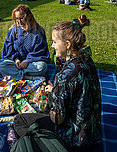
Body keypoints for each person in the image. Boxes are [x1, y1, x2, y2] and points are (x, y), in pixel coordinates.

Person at [13, 15, 101, 150]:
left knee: (20, 121)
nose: (52, 45)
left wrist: (51, 99)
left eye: (54, 41)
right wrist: (56, 90)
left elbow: (57, 119)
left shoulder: (64, 76)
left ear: (67, 44)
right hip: (91, 128)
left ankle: (48, 145)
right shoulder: (86, 59)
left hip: (74, 137)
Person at [0, 4, 49, 80]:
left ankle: (16, 75)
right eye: (17, 19)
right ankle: (26, 76)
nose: (19, 22)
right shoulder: (13, 30)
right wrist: (16, 59)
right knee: (2, 66)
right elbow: (9, 49)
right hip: (16, 63)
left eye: (21, 18)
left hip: (32, 62)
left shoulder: (38, 31)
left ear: (29, 16)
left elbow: (40, 51)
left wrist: (27, 61)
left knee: (42, 67)